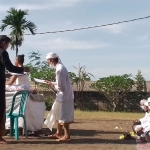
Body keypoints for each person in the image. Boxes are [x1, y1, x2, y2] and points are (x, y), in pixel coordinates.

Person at [0, 35, 29, 144]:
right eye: (7, 44)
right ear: (3, 42)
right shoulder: (2, 52)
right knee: (1, 108)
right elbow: (10, 67)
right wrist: (23, 69)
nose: (7, 46)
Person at [44, 52, 74, 141]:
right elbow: (60, 83)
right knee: (58, 114)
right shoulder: (59, 68)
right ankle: (58, 133)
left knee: (63, 116)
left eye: (48, 61)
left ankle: (67, 135)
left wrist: (52, 85)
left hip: (64, 96)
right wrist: (52, 83)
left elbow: (62, 87)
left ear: (52, 60)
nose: (48, 63)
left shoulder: (59, 69)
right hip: (61, 96)